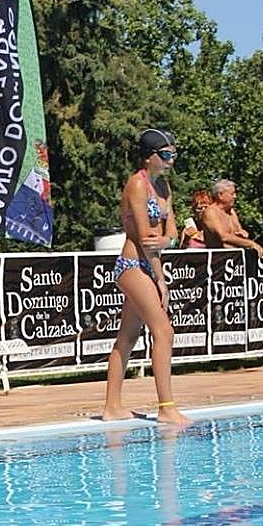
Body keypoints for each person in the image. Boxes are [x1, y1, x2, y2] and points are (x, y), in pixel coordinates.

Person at [102, 129, 190, 425]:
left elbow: (172, 233)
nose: (171, 160)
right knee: (164, 332)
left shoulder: (163, 187)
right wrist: (161, 280)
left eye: (174, 154)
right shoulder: (137, 185)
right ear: (149, 156)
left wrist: (166, 241)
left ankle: (112, 407)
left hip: (149, 265)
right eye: (165, 155)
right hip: (132, 265)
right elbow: (144, 239)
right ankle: (166, 407)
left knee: (127, 336)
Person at [199, 179, 263, 255]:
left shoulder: (231, 212)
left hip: (236, 257)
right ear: (220, 195)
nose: (235, 197)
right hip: (219, 258)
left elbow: (239, 232)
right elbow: (223, 237)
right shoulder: (211, 212)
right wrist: (251, 244)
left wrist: (243, 234)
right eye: (232, 194)